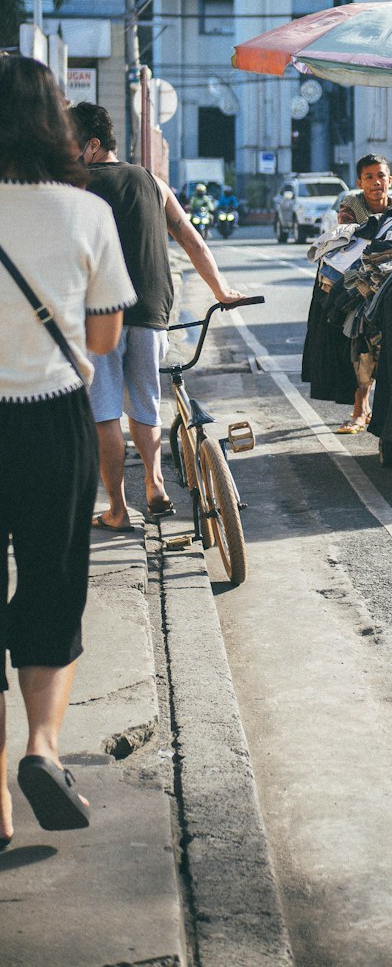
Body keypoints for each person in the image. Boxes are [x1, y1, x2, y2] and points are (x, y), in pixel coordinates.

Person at [0, 58, 135, 840]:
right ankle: (43, 748)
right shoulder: (85, 212)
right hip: (52, 418)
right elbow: (106, 335)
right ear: (55, 122)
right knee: (52, 587)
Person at [68, 104, 245, 531]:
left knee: (105, 413)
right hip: (152, 313)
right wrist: (221, 290)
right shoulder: (152, 181)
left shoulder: (75, 186)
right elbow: (190, 238)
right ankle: (155, 484)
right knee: (146, 405)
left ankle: (117, 509)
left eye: (71, 143)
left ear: (92, 145)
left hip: (97, 317)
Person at [335, 154, 392, 433]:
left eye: (381, 176)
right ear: (359, 182)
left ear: (390, 180)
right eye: (369, 177)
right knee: (361, 340)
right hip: (359, 282)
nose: (376, 183)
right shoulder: (350, 208)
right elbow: (345, 240)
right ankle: (359, 408)